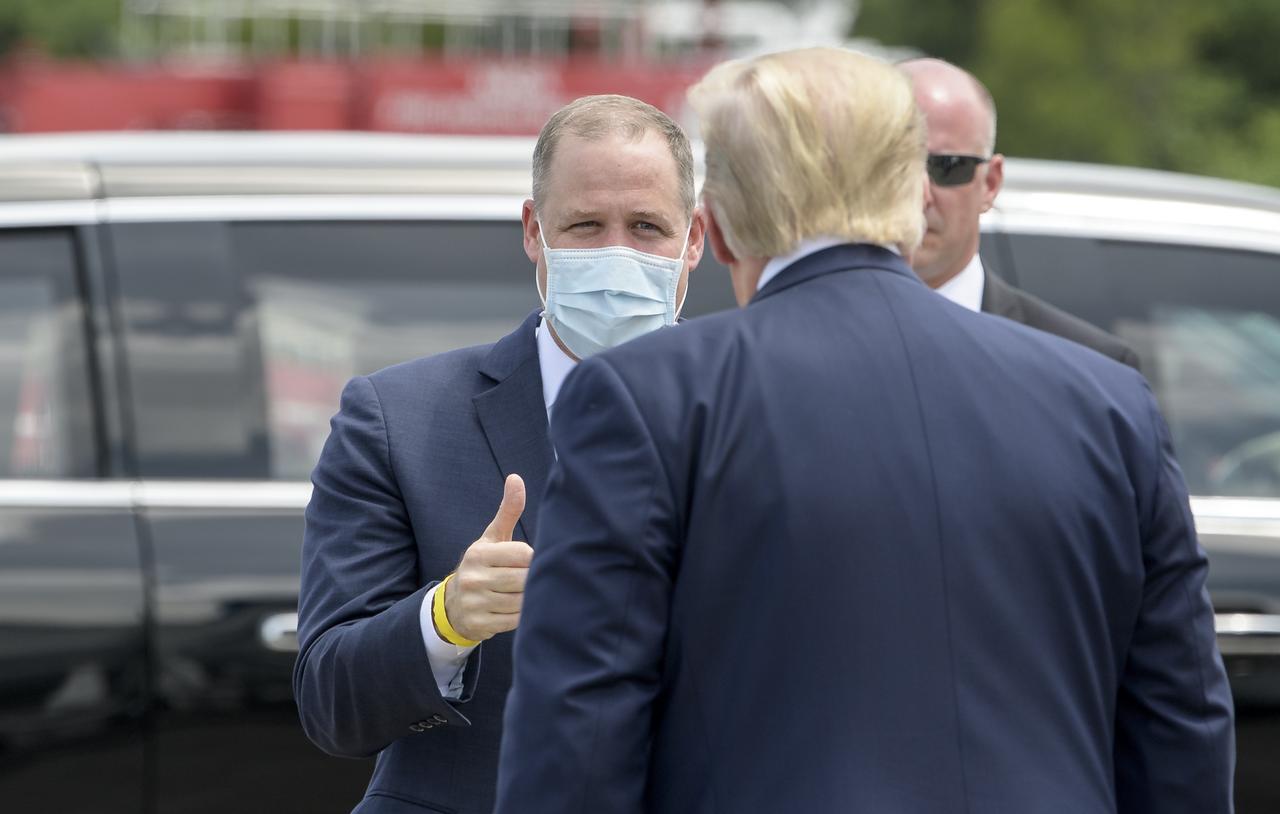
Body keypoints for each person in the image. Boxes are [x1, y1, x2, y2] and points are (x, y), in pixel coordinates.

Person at [495, 47, 1234, 814]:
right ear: (915, 197)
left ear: (713, 231)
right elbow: (1180, 729)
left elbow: (577, 743)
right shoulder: (1108, 403)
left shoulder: (647, 398)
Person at [293, 94, 705, 814]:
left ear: (694, 239)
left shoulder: (764, 414)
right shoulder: (400, 420)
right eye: (584, 226)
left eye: (646, 227)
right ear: (532, 231)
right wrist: (447, 618)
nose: (616, 253)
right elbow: (332, 705)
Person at [900, 57, 1142, 371]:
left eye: (947, 167)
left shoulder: (1092, 369)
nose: (921, 194)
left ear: (990, 183)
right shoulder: (817, 341)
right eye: (896, 166)